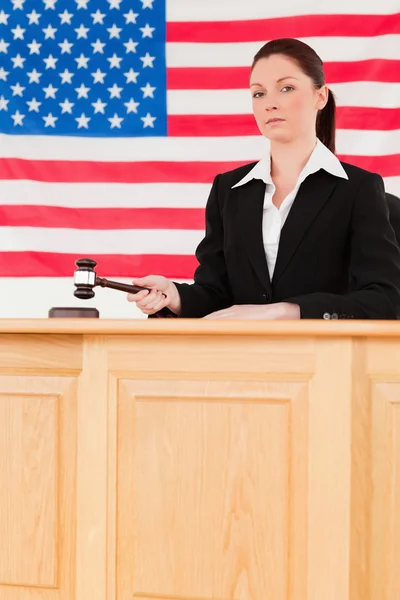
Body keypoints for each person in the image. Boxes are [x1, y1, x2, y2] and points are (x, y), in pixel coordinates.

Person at [128, 38, 400, 320]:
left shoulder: (357, 189)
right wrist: (176, 296)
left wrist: (286, 311)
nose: (270, 103)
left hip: (322, 358)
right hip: (242, 358)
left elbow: (385, 299)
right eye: (259, 93)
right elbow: (216, 294)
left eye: (286, 88)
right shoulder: (229, 189)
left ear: (320, 96)